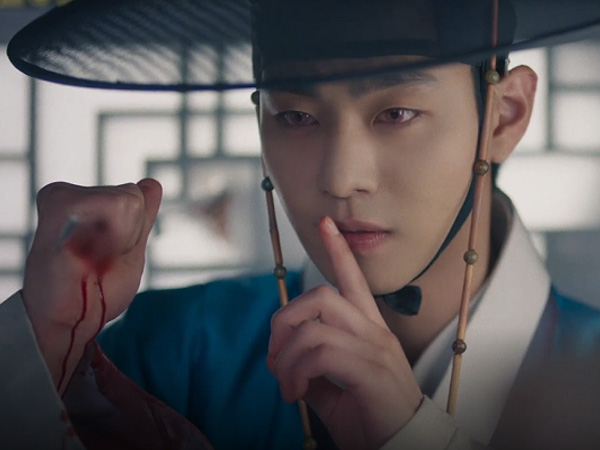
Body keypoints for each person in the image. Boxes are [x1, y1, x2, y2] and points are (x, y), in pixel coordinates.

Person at [2, 0, 600, 449]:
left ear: (504, 115)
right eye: (294, 116)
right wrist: (45, 338)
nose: (340, 178)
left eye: (396, 113)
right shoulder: (175, 349)